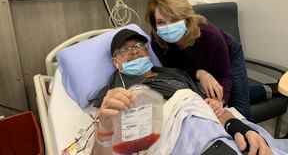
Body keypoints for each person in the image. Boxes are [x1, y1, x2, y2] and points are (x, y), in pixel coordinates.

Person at [94, 29, 277, 155]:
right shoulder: (114, 92)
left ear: (148, 52)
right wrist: (104, 129)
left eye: (138, 46)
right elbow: (106, 143)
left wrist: (238, 127)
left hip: (211, 125)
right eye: (125, 49)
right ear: (115, 62)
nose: (133, 51)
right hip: (173, 140)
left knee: (257, 145)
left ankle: (270, 90)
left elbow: (208, 107)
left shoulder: (175, 73)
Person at [145, 0, 253, 118]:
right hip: (198, 67)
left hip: (229, 54)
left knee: (239, 110)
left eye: (174, 19)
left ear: (186, 17)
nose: (168, 26)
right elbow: (176, 71)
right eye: (161, 22)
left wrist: (220, 100)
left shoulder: (209, 35)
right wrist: (200, 73)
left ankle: (262, 90)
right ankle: (263, 90)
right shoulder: (157, 40)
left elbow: (224, 74)